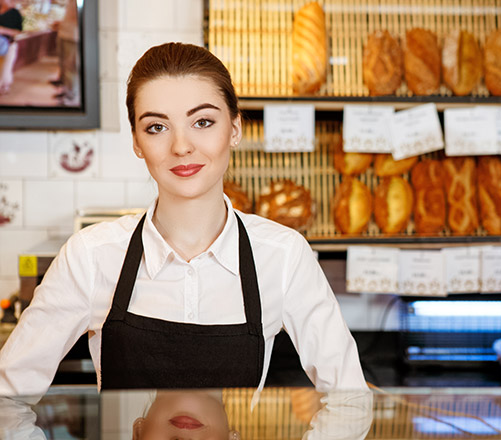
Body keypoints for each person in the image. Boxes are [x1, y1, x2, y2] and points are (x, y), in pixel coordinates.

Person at [0, 42, 372, 436]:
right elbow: (6, 396)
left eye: (203, 122)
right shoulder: (91, 256)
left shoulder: (282, 256)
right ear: (136, 142)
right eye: (156, 127)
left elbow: (351, 399)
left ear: (235, 129)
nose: (181, 146)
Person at [0, 0, 22, 94]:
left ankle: (4, 86)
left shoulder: (15, 13)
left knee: (5, 68)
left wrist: (3, 31)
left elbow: (18, 31)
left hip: (8, 45)